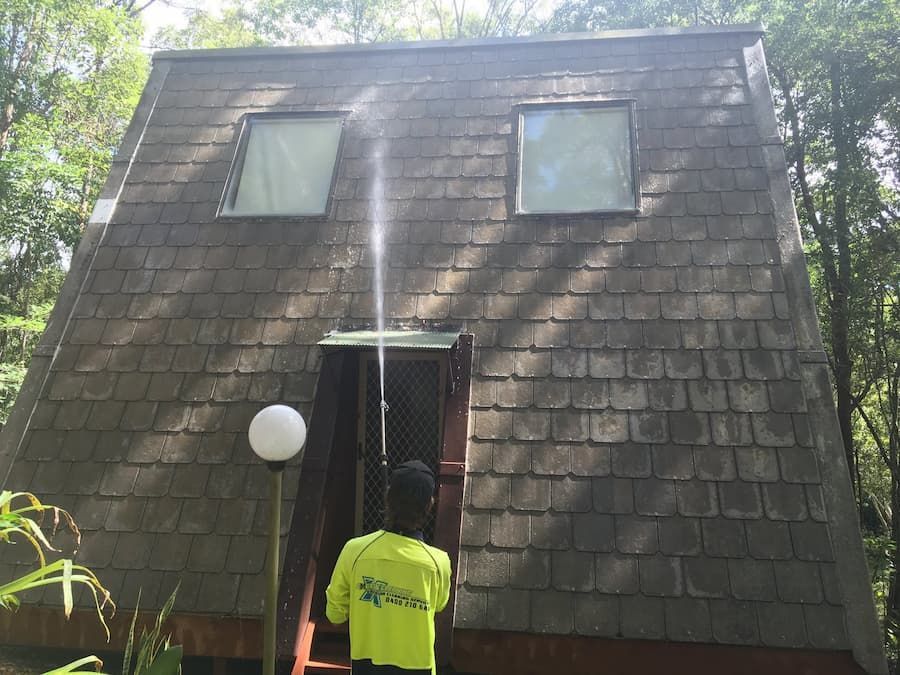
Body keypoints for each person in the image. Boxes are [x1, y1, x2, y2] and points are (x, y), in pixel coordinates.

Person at [325, 460, 452, 675]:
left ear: (388, 497)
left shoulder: (355, 551)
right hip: (419, 669)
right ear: (430, 504)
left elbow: (334, 614)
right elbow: (439, 604)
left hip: (366, 667)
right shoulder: (439, 562)